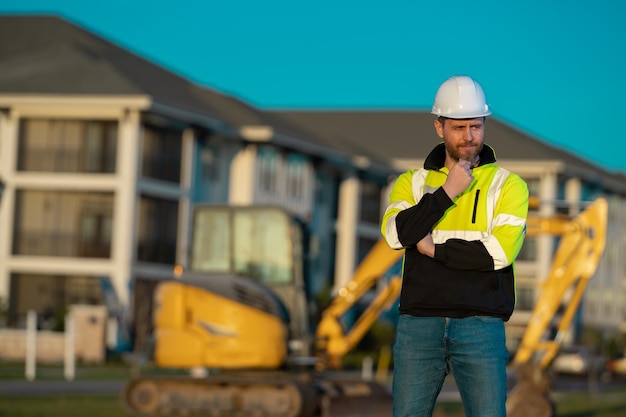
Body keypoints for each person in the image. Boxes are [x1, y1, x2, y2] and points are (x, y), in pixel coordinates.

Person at [380, 75, 529, 417]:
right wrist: (447, 192)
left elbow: (499, 253)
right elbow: (394, 235)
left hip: (481, 326)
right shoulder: (412, 183)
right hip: (419, 325)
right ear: (439, 127)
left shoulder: (509, 185)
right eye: (459, 127)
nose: (469, 136)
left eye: (476, 126)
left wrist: (435, 249)